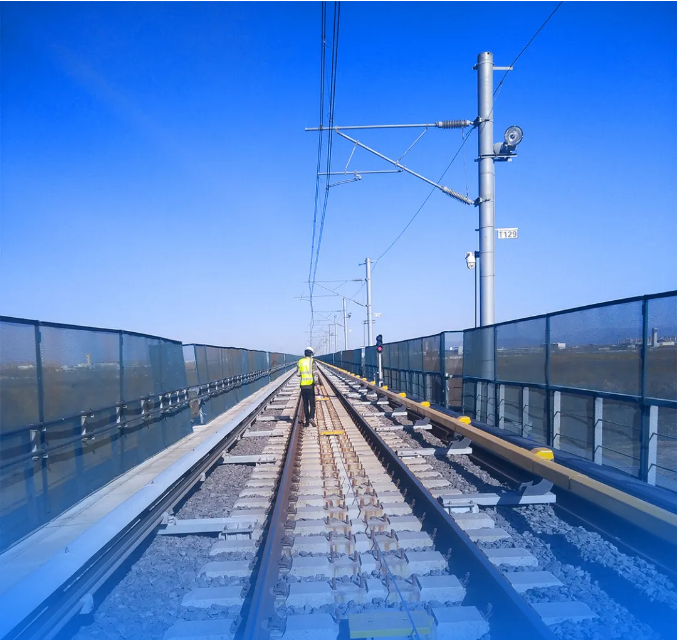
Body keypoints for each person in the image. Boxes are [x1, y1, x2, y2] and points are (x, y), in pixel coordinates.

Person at [297, 346, 318, 427]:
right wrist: (317, 384)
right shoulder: (312, 361)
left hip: (303, 385)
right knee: (312, 403)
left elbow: (298, 374)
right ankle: (311, 418)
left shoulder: (300, 361)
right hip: (310, 385)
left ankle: (306, 422)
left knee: (305, 404)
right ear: (311, 354)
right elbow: (315, 374)